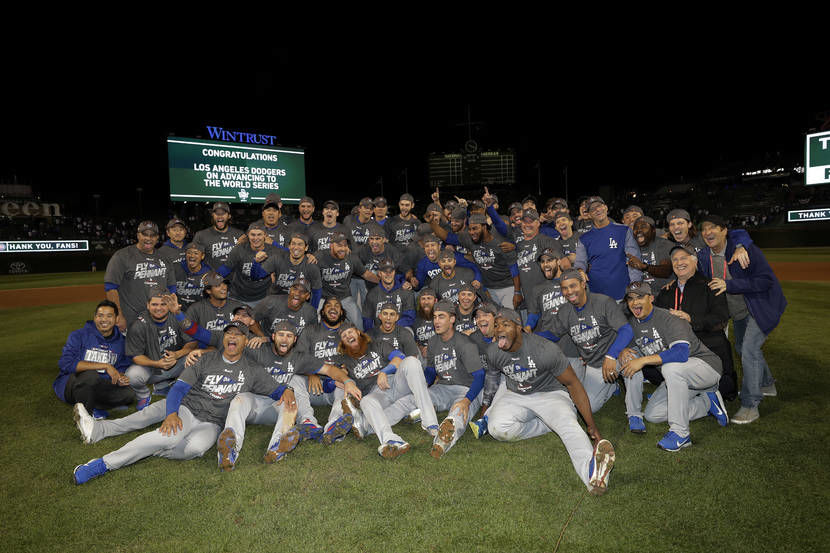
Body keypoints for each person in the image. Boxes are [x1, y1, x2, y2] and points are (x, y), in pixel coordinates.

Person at [71, 322, 294, 484]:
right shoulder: (205, 359)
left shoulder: (251, 369)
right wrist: (172, 414)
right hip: (188, 409)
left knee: (195, 449)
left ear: (246, 341)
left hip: (213, 423)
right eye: (228, 333)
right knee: (166, 433)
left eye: (239, 334)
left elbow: (276, 389)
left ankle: (153, 450)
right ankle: (102, 463)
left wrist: (288, 391)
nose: (233, 337)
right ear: (223, 338)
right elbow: (178, 388)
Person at [483, 308, 616, 495]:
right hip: (516, 395)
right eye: (496, 326)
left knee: (569, 427)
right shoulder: (493, 350)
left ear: (519, 327)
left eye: (506, 324)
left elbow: (573, 384)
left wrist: (591, 425)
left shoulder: (544, 349)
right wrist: (485, 408)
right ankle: (546, 425)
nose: (499, 330)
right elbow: (492, 376)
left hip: (550, 394)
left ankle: (593, 473)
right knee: (496, 429)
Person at [217, 320, 361, 470]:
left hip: (276, 404)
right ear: (273, 336)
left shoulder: (298, 357)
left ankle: (277, 446)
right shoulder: (258, 349)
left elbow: (329, 370)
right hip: (254, 402)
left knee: (290, 402)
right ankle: (229, 451)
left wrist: (348, 380)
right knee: (239, 399)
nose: (284, 339)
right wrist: (201, 352)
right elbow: (227, 349)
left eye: (289, 336)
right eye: (281, 335)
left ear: (295, 339)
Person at [698, 214, 787, 424]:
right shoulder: (704, 256)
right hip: (738, 312)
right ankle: (766, 384)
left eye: (713, 228)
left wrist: (731, 285)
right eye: (704, 229)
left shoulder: (743, 251)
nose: (708, 232)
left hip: (761, 307)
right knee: (742, 348)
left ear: (724, 231)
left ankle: (750, 404)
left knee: (749, 349)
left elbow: (765, 281)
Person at [619, 281, 729, 451]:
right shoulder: (634, 324)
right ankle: (707, 403)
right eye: (631, 299)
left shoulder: (668, 318)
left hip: (706, 367)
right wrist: (623, 351)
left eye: (640, 297)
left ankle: (681, 434)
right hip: (680, 377)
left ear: (651, 298)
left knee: (670, 367)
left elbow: (680, 353)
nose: (635, 302)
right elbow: (629, 348)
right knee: (653, 414)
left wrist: (643, 360)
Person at [547, 270, 644, 432]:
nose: (569, 291)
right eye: (564, 288)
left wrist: (611, 355)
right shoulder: (565, 311)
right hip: (595, 364)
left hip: (618, 354)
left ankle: (634, 414)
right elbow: (552, 334)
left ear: (583, 285)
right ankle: (612, 386)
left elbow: (626, 330)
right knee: (587, 407)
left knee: (631, 362)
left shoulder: (603, 302)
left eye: (573, 286)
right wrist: (528, 335)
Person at [323, 323, 439, 459]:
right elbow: (327, 385)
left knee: (411, 362)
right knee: (367, 402)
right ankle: (391, 440)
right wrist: (339, 379)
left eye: (350, 332)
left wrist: (384, 372)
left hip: (395, 383)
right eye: (344, 336)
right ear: (342, 342)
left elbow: (400, 357)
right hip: (377, 394)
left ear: (358, 332)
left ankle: (430, 422)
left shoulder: (377, 345)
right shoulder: (344, 360)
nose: (348, 336)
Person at [655, 245, 738, 401]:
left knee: (724, 383)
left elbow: (721, 318)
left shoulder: (710, 286)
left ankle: (707, 391)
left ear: (695, 261)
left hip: (705, 345)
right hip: (677, 345)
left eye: (683, 258)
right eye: (675, 260)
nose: (679, 262)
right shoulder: (667, 290)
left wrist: (691, 319)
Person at [408, 300, 484, 458]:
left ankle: (442, 442)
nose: (436, 321)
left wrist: (467, 401)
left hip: (467, 389)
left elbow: (480, 376)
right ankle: (421, 410)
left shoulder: (465, 343)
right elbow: (430, 370)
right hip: (442, 387)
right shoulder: (433, 341)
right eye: (435, 317)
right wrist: (423, 386)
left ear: (452, 319)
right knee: (413, 398)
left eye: (441, 317)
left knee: (457, 414)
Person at [55, 300, 134, 419]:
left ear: (117, 319)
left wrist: (120, 377)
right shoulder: (79, 335)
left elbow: (121, 367)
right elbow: (66, 364)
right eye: (100, 315)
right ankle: (88, 414)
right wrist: (105, 366)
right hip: (72, 383)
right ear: (94, 317)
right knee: (90, 376)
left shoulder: (122, 342)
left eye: (109, 316)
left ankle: (92, 403)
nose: (104, 320)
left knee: (129, 394)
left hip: (99, 385)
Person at [124, 287, 199, 409]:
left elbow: (192, 343)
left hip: (176, 363)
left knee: (199, 358)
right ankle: (143, 395)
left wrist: (177, 355)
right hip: (151, 368)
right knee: (132, 375)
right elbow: (136, 356)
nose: (159, 308)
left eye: (163, 304)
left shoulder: (178, 318)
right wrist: (157, 364)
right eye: (154, 304)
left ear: (169, 305)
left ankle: (171, 386)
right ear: (148, 305)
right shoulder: (138, 325)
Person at [429, 211, 519, 309]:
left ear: (484, 227)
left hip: (507, 287)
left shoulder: (499, 239)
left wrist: (517, 291)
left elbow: (513, 267)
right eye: (470, 229)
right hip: (488, 288)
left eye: (475, 228)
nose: (472, 232)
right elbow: (447, 237)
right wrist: (432, 222)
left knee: (510, 319)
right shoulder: (469, 239)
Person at [105, 220, 176, 331]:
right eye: (145, 234)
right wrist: (118, 315)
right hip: (130, 321)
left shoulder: (165, 258)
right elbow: (110, 288)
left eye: (152, 235)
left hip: (159, 320)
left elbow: (171, 289)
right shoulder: (122, 256)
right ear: (138, 235)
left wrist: (172, 314)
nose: (148, 238)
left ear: (157, 237)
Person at [574, 196, 642, 302]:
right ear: (589, 214)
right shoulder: (584, 238)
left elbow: (634, 261)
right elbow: (579, 263)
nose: (597, 210)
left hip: (622, 295)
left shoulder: (623, 230)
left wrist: (635, 288)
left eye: (599, 206)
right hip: (596, 296)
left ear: (605, 207)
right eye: (592, 209)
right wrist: (580, 270)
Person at [316, 231, 379, 330]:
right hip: (324, 297)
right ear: (331, 245)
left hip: (344, 297)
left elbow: (366, 274)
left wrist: (383, 281)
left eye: (345, 245)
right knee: (316, 322)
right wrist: (308, 256)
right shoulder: (320, 256)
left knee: (358, 324)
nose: (343, 248)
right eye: (339, 245)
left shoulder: (351, 258)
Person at [185, 271, 245, 348]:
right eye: (218, 285)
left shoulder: (238, 307)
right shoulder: (195, 309)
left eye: (224, 283)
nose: (223, 288)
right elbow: (189, 338)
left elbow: (247, 332)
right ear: (208, 291)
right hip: (205, 354)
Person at [262, 232, 323, 308]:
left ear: (306, 248)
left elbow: (317, 291)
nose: (296, 247)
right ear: (289, 246)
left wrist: (313, 310)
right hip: (277, 301)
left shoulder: (311, 265)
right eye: (293, 244)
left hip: (299, 304)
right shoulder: (278, 258)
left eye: (300, 244)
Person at [253, 278, 318, 337]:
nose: (297, 293)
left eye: (303, 291)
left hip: (294, 346)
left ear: (307, 296)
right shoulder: (271, 301)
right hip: (269, 341)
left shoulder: (311, 312)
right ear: (290, 290)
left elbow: (312, 334)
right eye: (295, 289)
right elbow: (251, 319)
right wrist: (262, 337)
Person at [362, 258, 415, 330]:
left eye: (391, 271)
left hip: (400, 330)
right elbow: (367, 319)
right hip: (380, 332)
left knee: (409, 330)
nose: (388, 274)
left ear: (395, 272)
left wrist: (391, 327)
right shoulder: (372, 294)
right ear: (379, 273)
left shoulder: (406, 292)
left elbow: (409, 317)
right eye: (384, 271)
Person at [626, 215, 674, 293]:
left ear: (653, 230)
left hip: (663, 294)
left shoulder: (664, 244)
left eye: (643, 226)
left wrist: (643, 266)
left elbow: (666, 271)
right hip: (640, 297)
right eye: (636, 227)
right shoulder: (630, 247)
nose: (639, 230)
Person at [191, 202, 244, 269]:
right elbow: (193, 259)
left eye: (223, 213)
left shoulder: (239, 235)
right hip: (210, 278)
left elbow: (245, 259)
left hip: (234, 278)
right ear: (212, 215)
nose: (220, 216)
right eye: (217, 213)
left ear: (229, 216)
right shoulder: (201, 235)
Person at [172, 243, 211, 311]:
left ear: (202, 256)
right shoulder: (175, 269)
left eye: (196, 253)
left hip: (200, 314)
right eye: (189, 253)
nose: (192, 256)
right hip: (178, 312)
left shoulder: (209, 274)